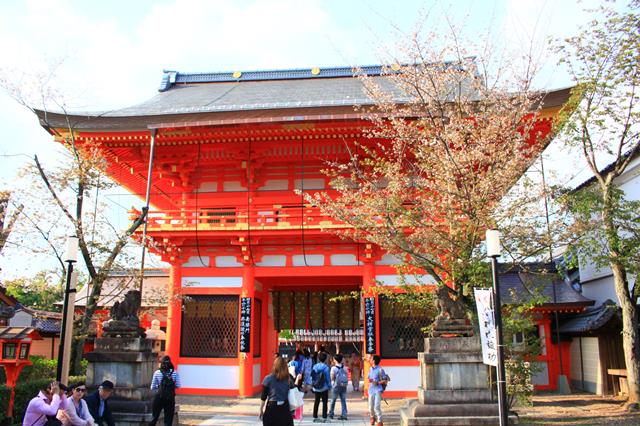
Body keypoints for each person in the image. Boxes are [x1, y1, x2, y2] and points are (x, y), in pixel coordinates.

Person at [259, 356, 294, 426]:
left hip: (272, 408)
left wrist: (261, 409)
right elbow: (293, 392)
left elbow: (263, 397)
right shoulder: (289, 378)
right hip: (285, 408)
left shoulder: (268, 379)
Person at [149, 355, 181, 426]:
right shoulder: (175, 373)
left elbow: (152, 387)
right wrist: (171, 387)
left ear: (162, 363)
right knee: (168, 420)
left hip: (159, 397)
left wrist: (159, 386)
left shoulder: (157, 373)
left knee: (154, 418)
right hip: (170, 398)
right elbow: (178, 386)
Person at [311, 351, 331, 423]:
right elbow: (327, 378)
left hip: (316, 387)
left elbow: (312, 376)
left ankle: (315, 415)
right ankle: (324, 416)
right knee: (324, 402)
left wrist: (312, 385)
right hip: (324, 387)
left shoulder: (315, 366)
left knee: (317, 401)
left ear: (318, 358)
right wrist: (329, 386)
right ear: (325, 359)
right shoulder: (326, 367)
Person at [367, 355, 387, 426]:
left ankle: (379, 420)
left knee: (377, 406)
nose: (370, 360)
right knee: (370, 406)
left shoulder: (380, 369)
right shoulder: (370, 369)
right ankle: (372, 417)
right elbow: (369, 377)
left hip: (378, 390)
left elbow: (385, 380)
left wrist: (378, 382)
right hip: (371, 390)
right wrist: (370, 380)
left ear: (374, 361)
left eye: (371, 359)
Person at [328, 353, 348, 421]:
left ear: (335, 360)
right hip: (343, 386)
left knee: (333, 400)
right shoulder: (345, 368)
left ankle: (331, 414)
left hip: (336, 386)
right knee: (343, 400)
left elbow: (332, 377)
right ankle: (344, 414)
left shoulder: (333, 368)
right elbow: (346, 376)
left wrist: (332, 383)